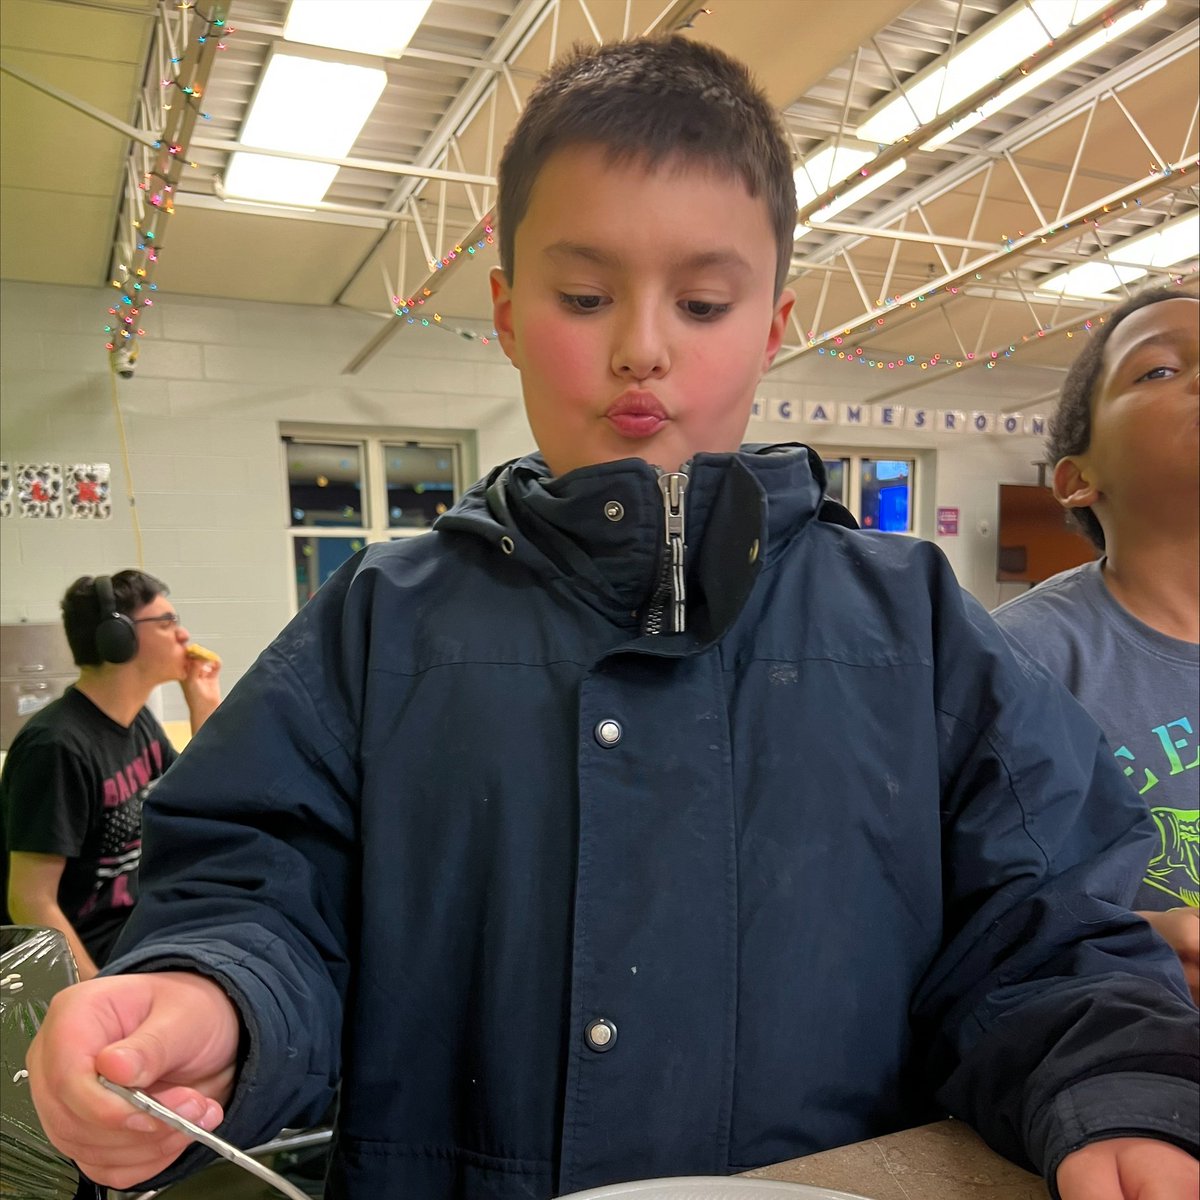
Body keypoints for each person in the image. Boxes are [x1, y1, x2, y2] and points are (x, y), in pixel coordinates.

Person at [24, 37, 1198, 1200]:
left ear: (774, 322)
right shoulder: (380, 623)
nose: (642, 347)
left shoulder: (917, 628)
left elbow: (1051, 932)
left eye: (701, 300)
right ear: (505, 308)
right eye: (584, 296)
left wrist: (1117, 1094)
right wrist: (213, 999)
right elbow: (256, 884)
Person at [993, 287, 1199, 1002]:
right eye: (1161, 370)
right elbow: (972, 921)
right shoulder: (1020, 662)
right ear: (1079, 480)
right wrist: (1133, 942)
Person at [1, 571, 220, 978]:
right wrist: (96, 991)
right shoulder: (57, 748)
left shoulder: (138, 725)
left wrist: (202, 705)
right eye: (167, 622)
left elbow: (198, 803)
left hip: (136, 928)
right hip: (89, 954)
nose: (184, 635)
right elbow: (30, 899)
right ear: (118, 638)